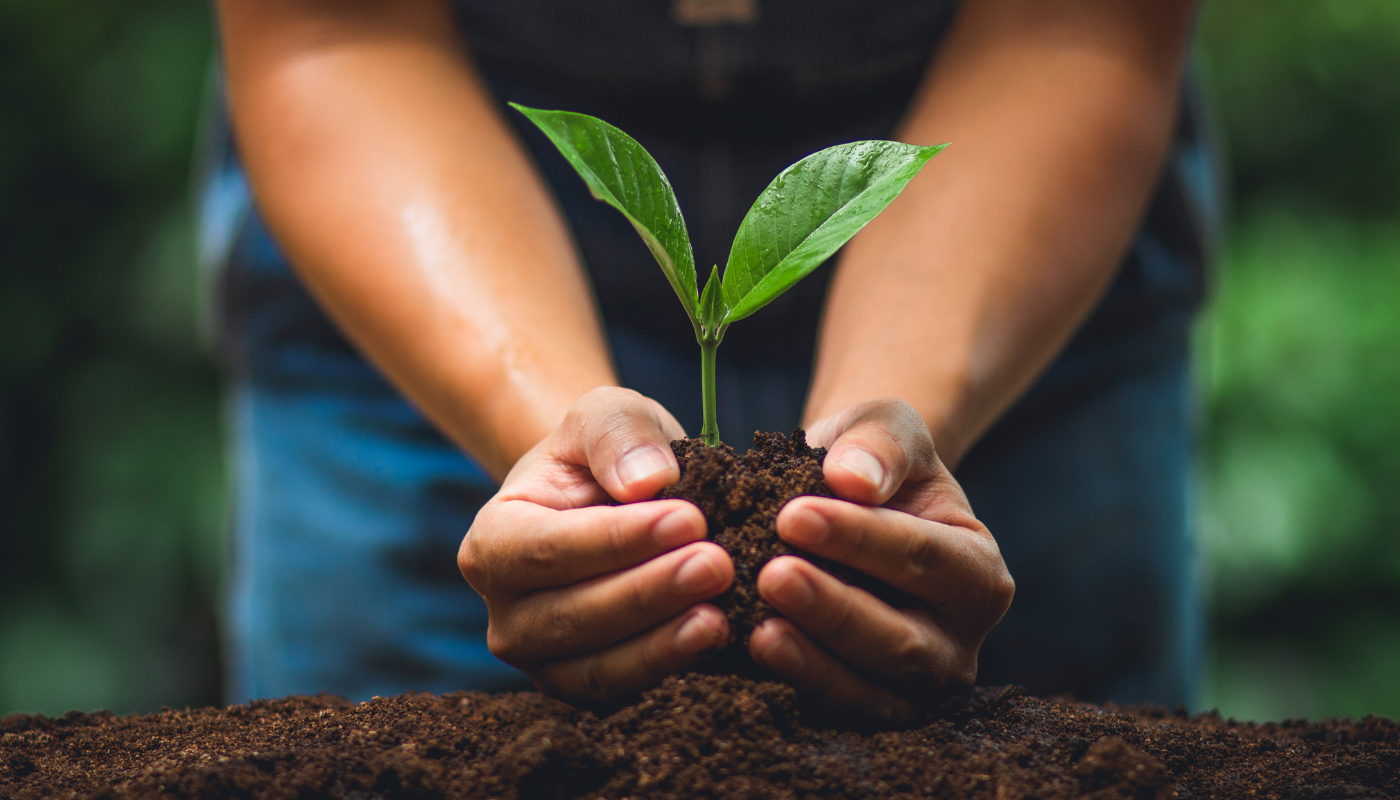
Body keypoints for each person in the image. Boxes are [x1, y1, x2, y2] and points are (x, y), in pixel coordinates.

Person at [206, 0, 1215, 724]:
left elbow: (1071, 26)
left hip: (1013, 228)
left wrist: (879, 438)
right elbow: (332, 28)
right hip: (418, 207)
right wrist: (568, 449)